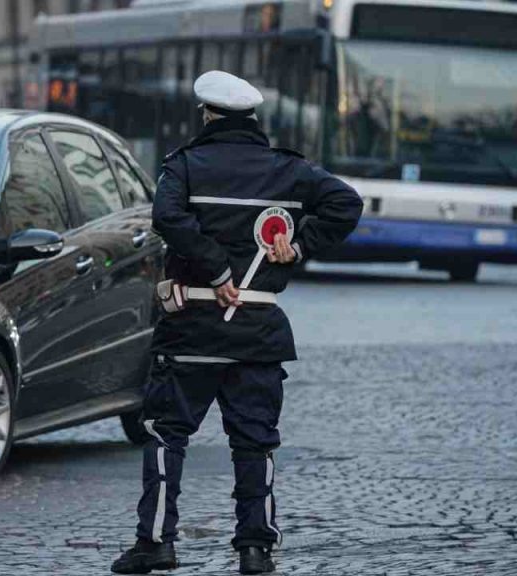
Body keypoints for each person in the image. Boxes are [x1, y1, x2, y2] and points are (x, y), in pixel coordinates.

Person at [111, 70, 363, 575]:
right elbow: (346, 204)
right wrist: (301, 244)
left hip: (192, 330)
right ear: (252, 118)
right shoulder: (288, 170)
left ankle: (156, 542)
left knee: (165, 435)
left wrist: (214, 267)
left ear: (207, 115)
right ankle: (255, 549)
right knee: (254, 442)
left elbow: (167, 218)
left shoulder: (183, 166)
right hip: (258, 331)